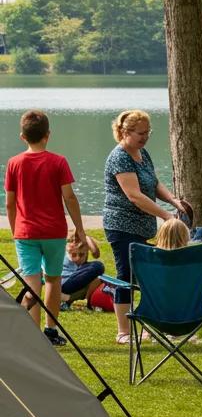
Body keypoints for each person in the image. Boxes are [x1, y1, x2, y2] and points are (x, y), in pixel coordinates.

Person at [103, 109, 189, 345]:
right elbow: (134, 196)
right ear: (124, 132)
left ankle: (147, 328)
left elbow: (154, 182)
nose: (145, 137)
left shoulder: (142, 154)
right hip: (121, 226)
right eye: (140, 133)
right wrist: (165, 216)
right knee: (126, 276)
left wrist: (172, 200)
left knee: (147, 276)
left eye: (147, 132)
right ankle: (123, 332)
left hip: (142, 226)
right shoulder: (120, 157)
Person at [4, 109, 87, 345]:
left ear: (23, 137)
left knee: (32, 282)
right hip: (53, 232)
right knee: (52, 280)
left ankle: (30, 336)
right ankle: (50, 331)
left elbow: (9, 203)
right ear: (48, 135)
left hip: (26, 233)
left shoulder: (14, 163)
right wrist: (79, 228)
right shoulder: (58, 162)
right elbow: (69, 198)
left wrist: (15, 230)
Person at [61, 231, 104, 309]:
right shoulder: (65, 250)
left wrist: (86, 237)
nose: (78, 258)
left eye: (81, 255)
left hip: (76, 282)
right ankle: (68, 299)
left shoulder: (84, 263)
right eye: (73, 255)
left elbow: (95, 253)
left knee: (100, 278)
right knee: (98, 266)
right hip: (66, 283)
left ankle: (83, 302)